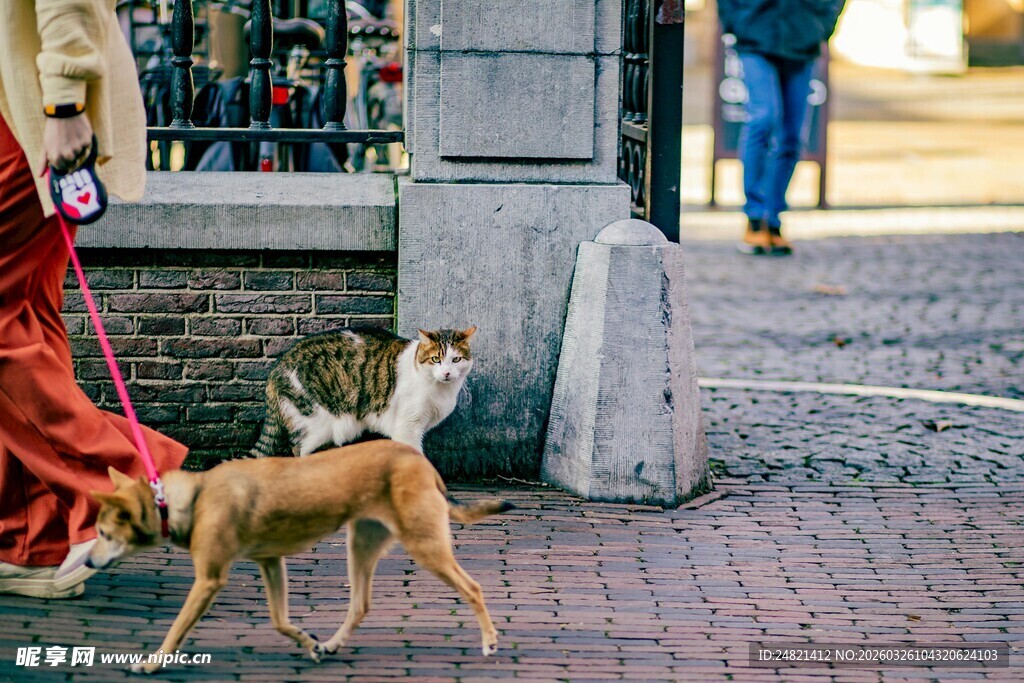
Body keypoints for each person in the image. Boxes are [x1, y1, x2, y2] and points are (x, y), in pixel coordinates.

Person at [0, 0, 188, 598]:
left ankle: (129, 480)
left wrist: (63, 102)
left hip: (23, 114)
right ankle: (32, 543)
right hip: (21, 109)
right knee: (23, 319)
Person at [717, 0, 846, 255]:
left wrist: (822, 26)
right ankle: (754, 217)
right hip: (755, 36)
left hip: (803, 39)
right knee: (763, 118)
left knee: (793, 137)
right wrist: (736, 21)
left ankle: (774, 220)